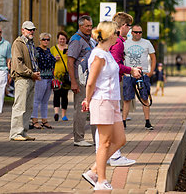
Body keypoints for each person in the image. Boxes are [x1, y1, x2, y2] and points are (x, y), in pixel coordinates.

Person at [81, 21, 134, 191]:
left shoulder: (107, 54)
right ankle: (101, 181)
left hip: (112, 101)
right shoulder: (98, 55)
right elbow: (91, 82)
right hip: (102, 100)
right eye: (116, 34)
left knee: (120, 140)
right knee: (104, 143)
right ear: (110, 35)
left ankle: (94, 171)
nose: (118, 37)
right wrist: (87, 100)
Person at [100, 11, 140, 166]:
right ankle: (114, 157)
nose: (129, 30)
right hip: (111, 86)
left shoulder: (108, 41)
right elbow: (115, 64)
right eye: (129, 27)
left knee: (104, 126)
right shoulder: (118, 42)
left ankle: (105, 157)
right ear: (123, 26)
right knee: (113, 123)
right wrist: (131, 70)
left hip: (104, 86)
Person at [9, 21, 41, 141]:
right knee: (20, 106)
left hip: (31, 78)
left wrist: (35, 73)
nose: (31, 31)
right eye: (28, 29)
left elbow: (32, 61)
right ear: (23, 30)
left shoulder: (31, 43)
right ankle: (15, 133)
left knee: (28, 107)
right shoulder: (18, 43)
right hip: (22, 78)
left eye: (33, 29)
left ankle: (23, 131)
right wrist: (32, 74)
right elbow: (18, 64)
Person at [68, 15, 96, 147]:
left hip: (89, 78)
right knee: (81, 108)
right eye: (87, 26)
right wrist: (73, 82)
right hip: (80, 79)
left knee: (91, 108)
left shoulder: (89, 40)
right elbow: (70, 61)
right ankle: (78, 138)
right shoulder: (76, 40)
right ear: (80, 26)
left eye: (91, 26)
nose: (90, 28)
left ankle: (97, 138)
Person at [123, 25, 156, 130]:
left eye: (140, 32)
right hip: (129, 74)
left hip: (143, 74)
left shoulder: (147, 43)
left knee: (144, 97)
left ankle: (147, 121)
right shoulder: (125, 43)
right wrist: (123, 72)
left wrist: (150, 72)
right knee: (127, 98)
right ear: (131, 32)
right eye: (136, 32)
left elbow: (153, 57)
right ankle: (123, 121)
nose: (138, 34)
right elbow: (120, 57)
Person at [31, 33, 56, 129]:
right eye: (44, 39)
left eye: (48, 39)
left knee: (45, 101)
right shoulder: (37, 50)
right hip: (41, 77)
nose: (46, 41)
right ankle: (34, 120)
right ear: (40, 40)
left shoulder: (48, 51)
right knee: (37, 99)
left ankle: (44, 120)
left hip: (49, 77)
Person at [50, 31, 70, 121]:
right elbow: (49, 60)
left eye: (63, 39)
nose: (62, 40)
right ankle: (56, 113)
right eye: (60, 39)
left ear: (66, 40)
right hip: (56, 76)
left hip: (66, 75)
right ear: (58, 40)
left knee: (65, 95)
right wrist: (54, 59)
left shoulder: (69, 48)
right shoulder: (53, 49)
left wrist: (69, 55)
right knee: (56, 94)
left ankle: (64, 115)